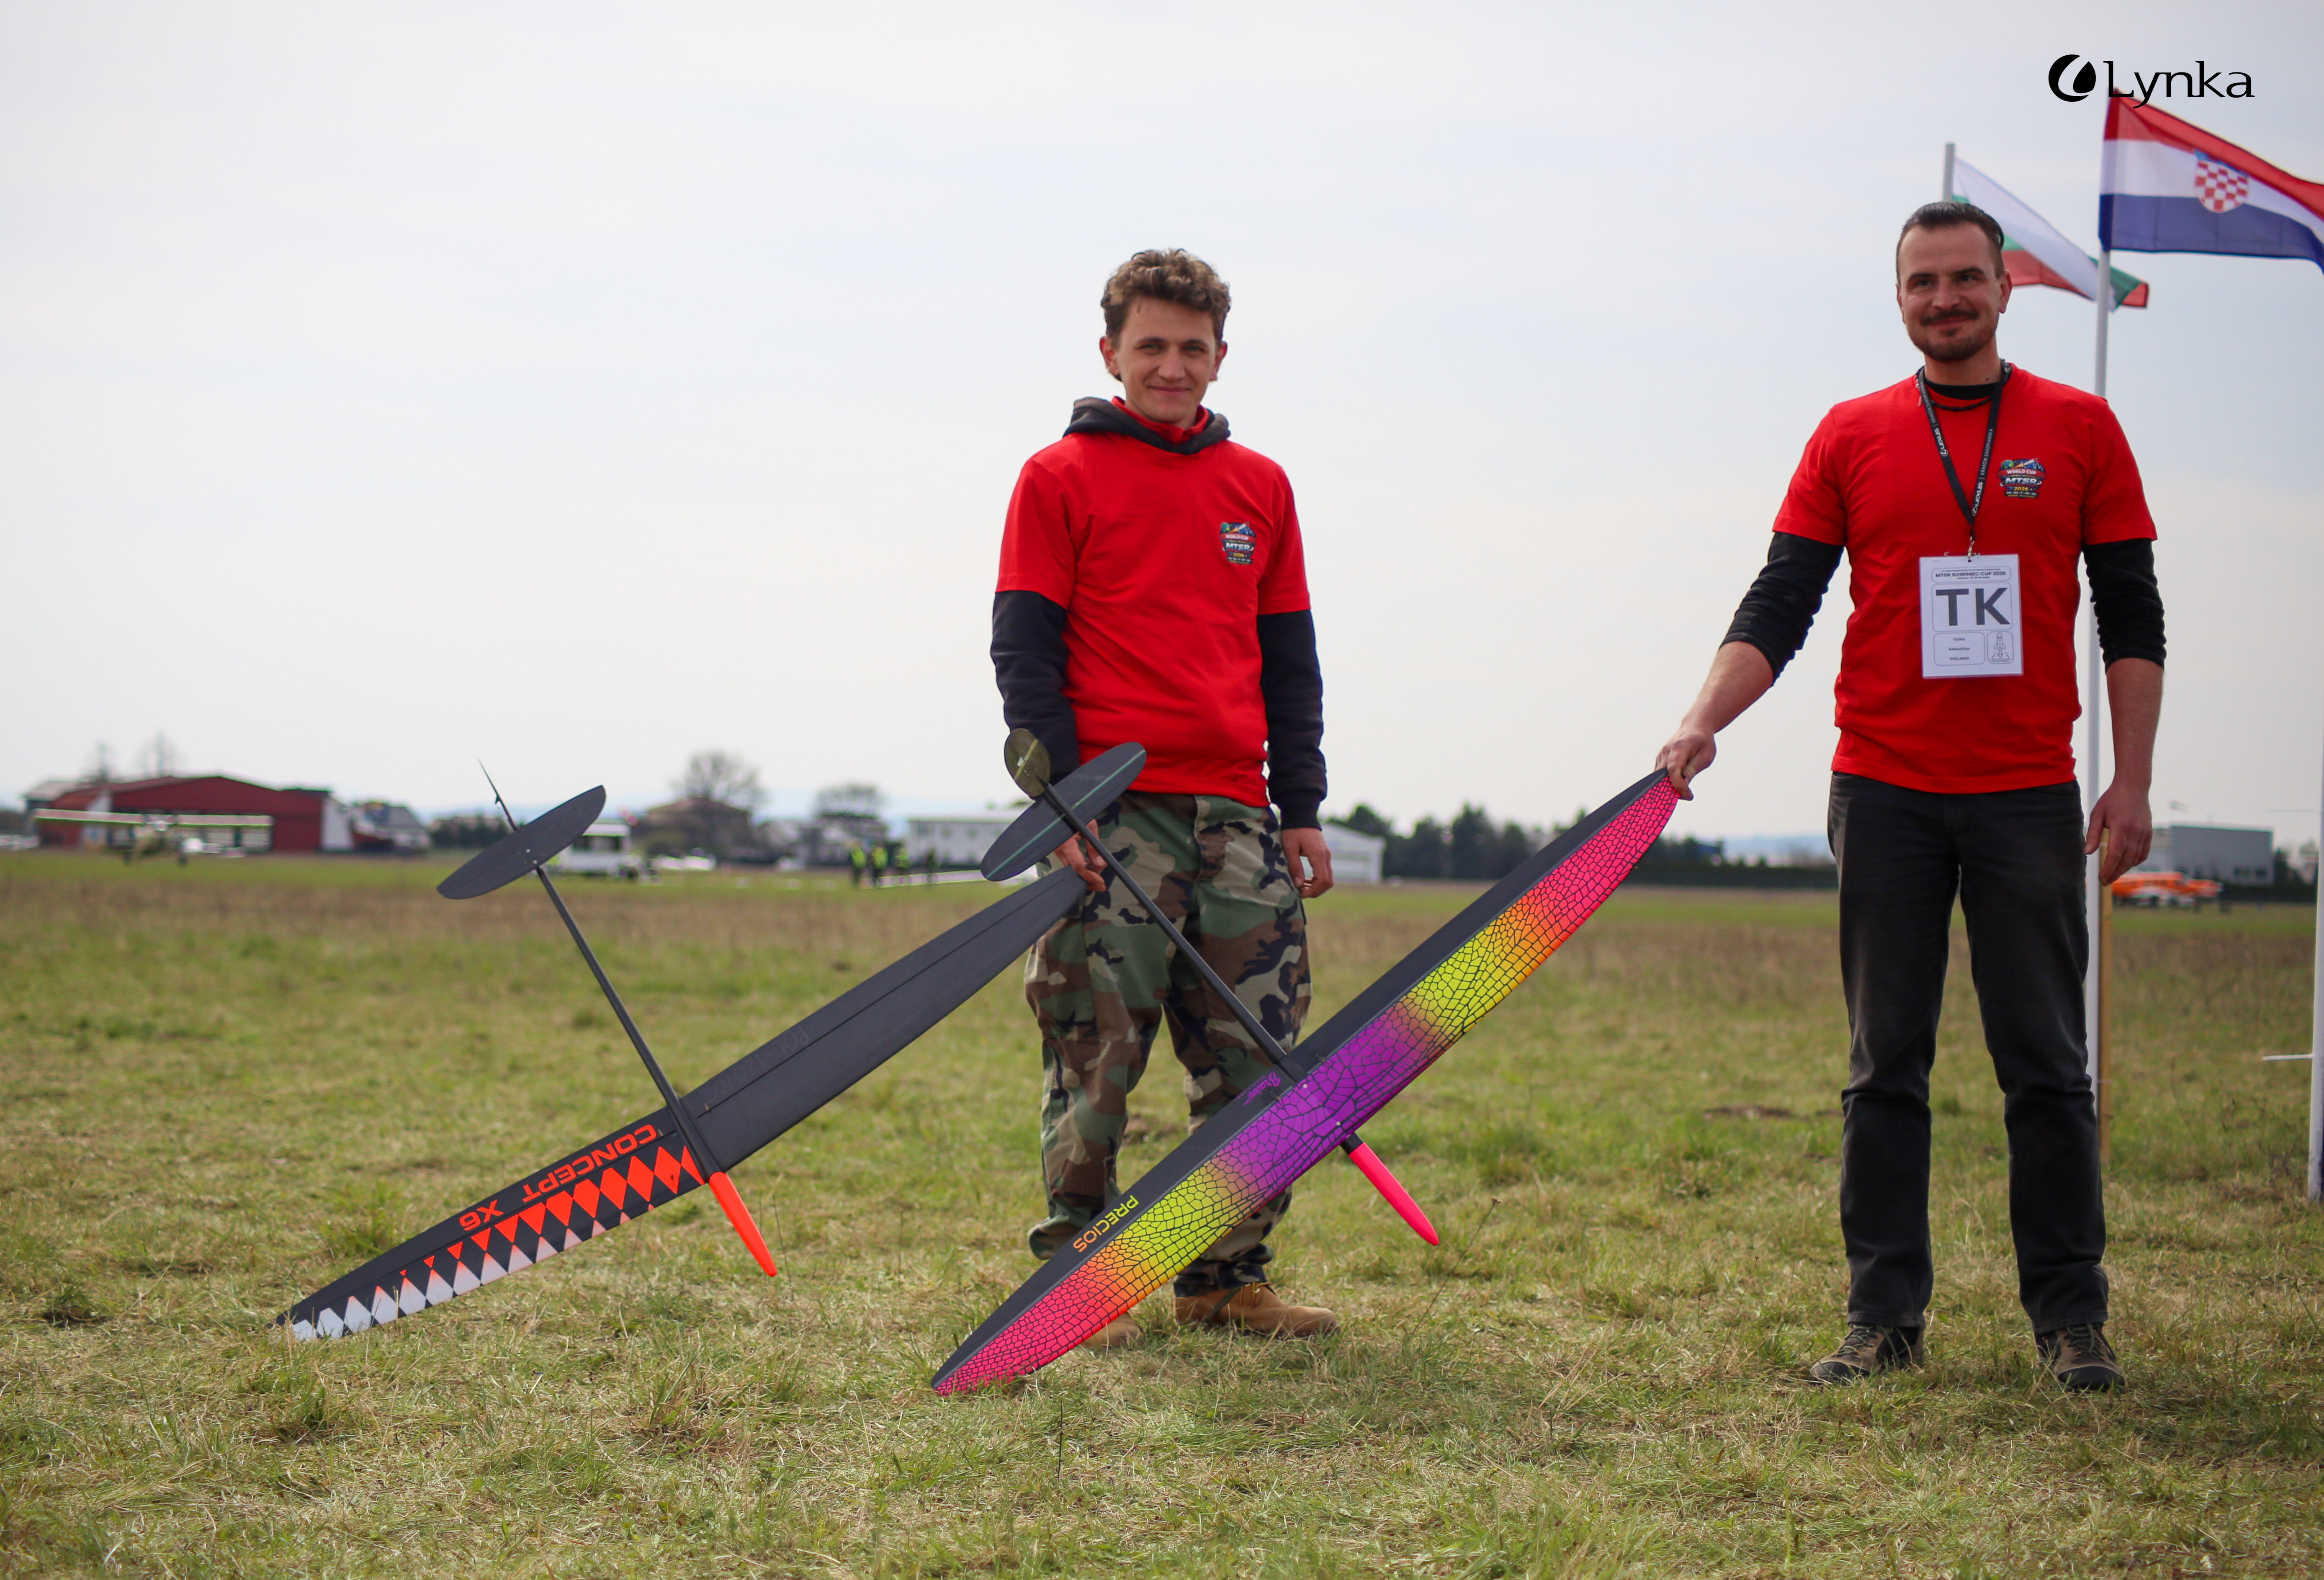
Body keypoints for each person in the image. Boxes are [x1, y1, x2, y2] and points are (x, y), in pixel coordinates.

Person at [1655, 201, 2165, 1392]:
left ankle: (2071, 1323)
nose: (1946, 299)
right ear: (1900, 300)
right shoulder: (1852, 434)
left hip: (2029, 793)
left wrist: (2129, 782)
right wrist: (1699, 721)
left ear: (2004, 287)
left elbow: (2132, 616)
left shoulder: (2082, 428)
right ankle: (1883, 1320)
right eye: (1923, 282)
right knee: (1886, 1067)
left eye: (1965, 279)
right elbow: (1780, 602)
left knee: (2046, 1066)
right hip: (1882, 791)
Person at [991, 247, 1338, 1348]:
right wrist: (1064, 807)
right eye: (1152, 346)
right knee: (1097, 1051)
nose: (1173, 365)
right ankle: (1071, 1273)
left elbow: (1290, 663)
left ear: (1220, 358)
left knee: (1260, 1059)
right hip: (1115, 818)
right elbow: (1024, 654)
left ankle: (1224, 1279)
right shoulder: (1057, 478)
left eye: (1194, 348)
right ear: (1112, 354)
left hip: (1239, 818)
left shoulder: (1262, 489)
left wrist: (1305, 805)